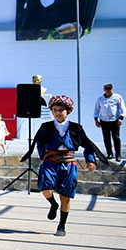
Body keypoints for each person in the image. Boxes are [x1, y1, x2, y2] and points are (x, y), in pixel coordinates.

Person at [21, 95, 106, 236]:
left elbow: (88, 145)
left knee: (65, 196)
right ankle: (53, 204)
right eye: (55, 110)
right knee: (45, 187)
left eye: (61, 110)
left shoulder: (76, 128)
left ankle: (61, 226)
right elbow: (40, 143)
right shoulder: (46, 127)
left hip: (68, 164)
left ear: (68, 111)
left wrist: (90, 160)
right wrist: (43, 156)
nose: (58, 113)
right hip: (50, 162)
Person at [93, 83, 124, 161]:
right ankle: (109, 154)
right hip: (104, 121)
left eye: (110, 88)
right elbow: (96, 110)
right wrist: (96, 120)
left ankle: (118, 155)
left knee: (116, 138)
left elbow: (122, 108)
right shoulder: (100, 99)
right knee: (106, 138)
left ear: (112, 89)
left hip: (115, 120)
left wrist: (121, 118)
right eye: (107, 89)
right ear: (104, 90)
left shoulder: (117, 97)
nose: (108, 90)